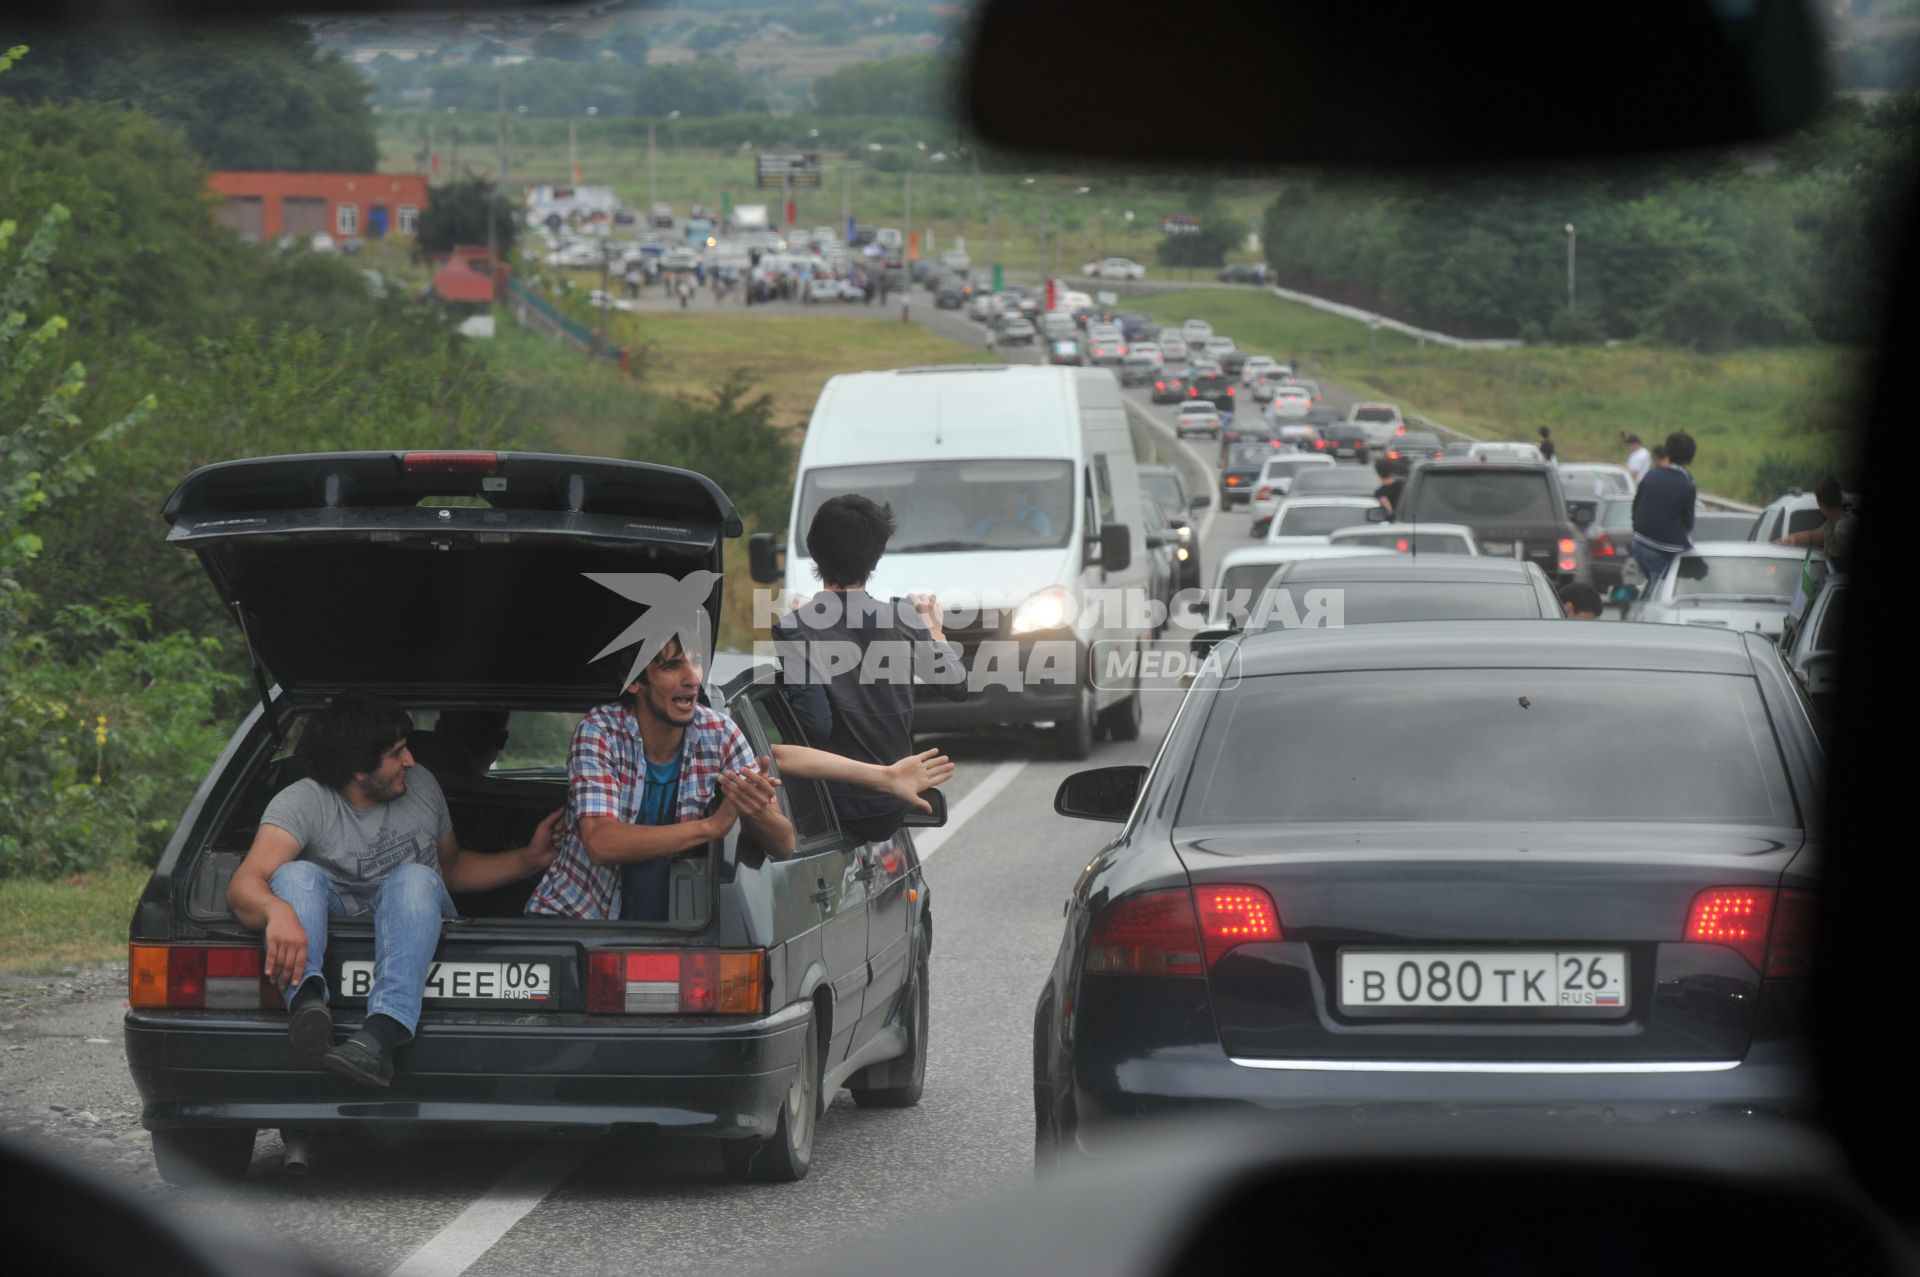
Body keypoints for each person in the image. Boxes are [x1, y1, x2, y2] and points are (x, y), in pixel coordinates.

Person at [227, 692, 561, 1087]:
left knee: (414, 877)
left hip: (414, 912)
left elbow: (449, 867)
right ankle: (308, 1010)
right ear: (358, 769)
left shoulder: (421, 785)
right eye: (397, 753)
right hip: (341, 917)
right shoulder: (304, 801)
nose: (411, 761)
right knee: (292, 876)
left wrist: (530, 860)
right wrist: (277, 912)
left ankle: (379, 1036)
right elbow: (244, 885)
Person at [523, 638, 949, 922]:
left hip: (667, 934)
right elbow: (602, 843)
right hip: (573, 919)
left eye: (693, 662)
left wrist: (754, 811)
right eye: (671, 666)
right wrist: (712, 826)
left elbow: (782, 841)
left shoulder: (719, 732)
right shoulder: (601, 731)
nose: (691, 678)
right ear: (634, 682)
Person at [775, 495, 970, 844]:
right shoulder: (904, 618)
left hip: (829, 808)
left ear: (814, 549)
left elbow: (815, 723)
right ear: (876, 556)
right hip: (894, 802)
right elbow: (956, 684)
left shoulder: (796, 628)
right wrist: (935, 633)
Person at [1630, 430, 1697, 589]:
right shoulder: (1687, 485)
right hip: (1662, 550)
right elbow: (1688, 522)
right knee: (1660, 592)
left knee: (1650, 586)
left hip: (1638, 543)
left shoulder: (1651, 475)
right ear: (1690, 457)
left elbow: (1635, 507)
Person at [970, 484, 1052, 539]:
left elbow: (1046, 542)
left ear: (1015, 493)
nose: (1002, 495)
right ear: (991, 496)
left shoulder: (1035, 516)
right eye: (996, 492)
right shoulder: (984, 523)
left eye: (1006, 490)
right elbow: (973, 546)